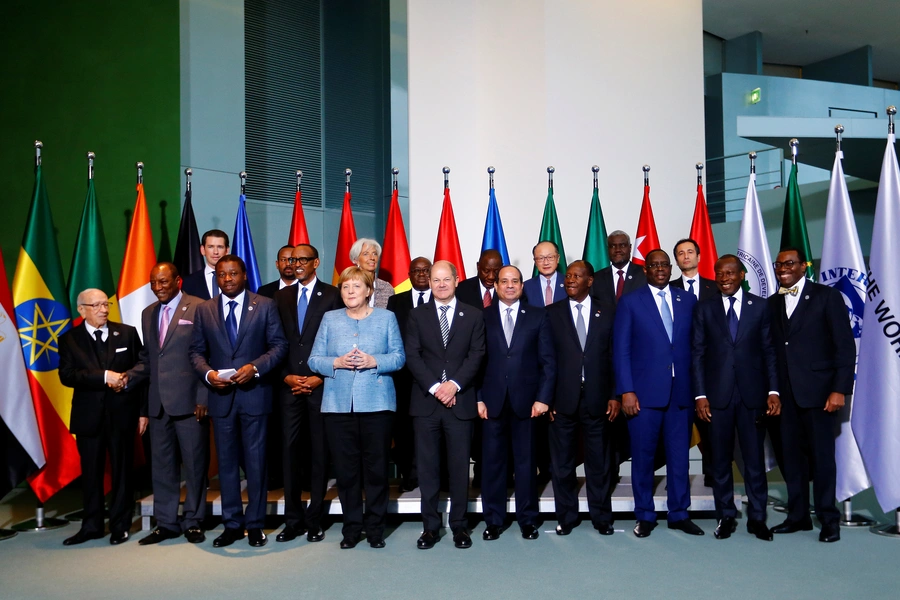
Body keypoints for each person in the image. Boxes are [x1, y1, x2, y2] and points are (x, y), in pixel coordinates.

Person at [189, 255, 288, 548]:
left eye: (233, 273)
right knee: (228, 466)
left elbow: (279, 345)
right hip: (221, 399)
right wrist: (208, 374)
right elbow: (195, 351)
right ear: (216, 278)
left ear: (244, 275)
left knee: (256, 464)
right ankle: (231, 524)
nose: (228, 279)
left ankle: (256, 524)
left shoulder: (265, 305)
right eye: (222, 274)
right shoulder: (205, 310)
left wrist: (255, 368)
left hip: (255, 397)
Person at [308, 267, 405, 549]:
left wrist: (374, 360)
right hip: (337, 407)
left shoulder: (387, 318)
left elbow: (399, 357)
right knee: (347, 472)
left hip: (377, 404)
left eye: (356, 286)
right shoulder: (330, 319)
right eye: (345, 287)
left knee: (375, 470)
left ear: (369, 291)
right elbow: (315, 359)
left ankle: (375, 529)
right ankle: (351, 529)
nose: (350, 291)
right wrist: (335, 363)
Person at [767, 248, 855, 543]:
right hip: (785, 395)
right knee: (791, 459)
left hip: (820, 394)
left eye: (789, 263)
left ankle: (829, 519)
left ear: (803, 266)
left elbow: (844, 346)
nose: (783, 269)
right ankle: (798, 516)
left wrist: (839, 389)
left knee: (822, 459)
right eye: (779, 265)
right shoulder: (772, 303)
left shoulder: (826, 297)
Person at [613, 249, 702, 538]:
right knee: (643, 457)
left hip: (681, 394)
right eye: (655, 265)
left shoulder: (687, 300)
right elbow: (621, 350)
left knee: (679, 457)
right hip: (643, 395)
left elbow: (695, 347)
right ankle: (645, 515)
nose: (661, 269)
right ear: (646, 270)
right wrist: (626, 390)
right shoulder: (630, 302)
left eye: (665, 264)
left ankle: (679, 513)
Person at [691, 255, 780, 541]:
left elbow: (769, 351)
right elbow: (698, 354)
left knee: (753, 460)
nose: (724, 278)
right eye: (719, 273)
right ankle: (725, 516)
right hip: (716, 398)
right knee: (720, 461)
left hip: (752, 395)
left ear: (741, 275)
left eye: (730, 273)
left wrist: (773, 391)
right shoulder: (704, 308)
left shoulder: (760, 306)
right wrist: (701, 395)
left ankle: (757, 518)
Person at [126, 263, 209, 545]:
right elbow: (149, 359)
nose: (158, 287)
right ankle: (166, 523)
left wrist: (203, 396)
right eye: (153, 283)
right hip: (157, 404)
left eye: (163, 281)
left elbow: (206, 356)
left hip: (190, 403)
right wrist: (126, 377)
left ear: (177, 281)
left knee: (196, 465)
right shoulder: (148, 313)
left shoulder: (199, 307)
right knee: (161, 468)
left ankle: (194, 521)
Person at [405, 260, 485, 550]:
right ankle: (430, 528)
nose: (440, 284)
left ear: (456, 280)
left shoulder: (474, 315)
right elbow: (412, 355)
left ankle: (460, 527)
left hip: (460, 402)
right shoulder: (416, 315)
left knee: (459, 467)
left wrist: (454, 385)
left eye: (445, 279)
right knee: (428, 469)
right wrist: (438, 387)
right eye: (434, 279)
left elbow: (477, 354)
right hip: (427, 403)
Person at [58, 289, 147, 546]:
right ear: (81, 309)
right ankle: (92, 525)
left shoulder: (127, 333)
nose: (103, 310)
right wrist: (104, 377)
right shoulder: (69, 340)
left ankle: (120, 525)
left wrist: (142, 412)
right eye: (95, 305)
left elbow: (141, 371)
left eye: (105, 304)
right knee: (91, 473)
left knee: (122, 472)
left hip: (123, 414)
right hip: (88, 417)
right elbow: (68, 375)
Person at [477, 265, 555, 541]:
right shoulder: (482, 317)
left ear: (522, 286)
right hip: (492, 403)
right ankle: (494, 521)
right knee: (493, 465)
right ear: (495, 286)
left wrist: (543, 398)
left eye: (515, 281)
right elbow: (476, 363)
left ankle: (528, 520)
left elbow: (548, 361)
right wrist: (478, 399)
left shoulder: (538, 315)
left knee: (526, 465)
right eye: (504, 281)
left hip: (528, 404)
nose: (509, 286)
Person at [273, 244, 342, 543]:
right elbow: (274, 342)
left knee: (318, 453)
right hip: (288, 387)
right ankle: (292, 519)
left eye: (302, 259)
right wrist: (286, 376)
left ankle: (315, 518)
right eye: (292, 259)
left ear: (316, 262)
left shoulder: (332, 295)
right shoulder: (280, 296)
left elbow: (338, 341)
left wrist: (318, 376)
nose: (296, 264)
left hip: (321, 386)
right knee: (288, 454)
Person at [546, 260, 619, 536]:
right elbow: (547, 360)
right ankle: (567, 516)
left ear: (590, 281)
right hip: (561, 400)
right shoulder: (551, 313)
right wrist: (547, 397)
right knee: (562, 463)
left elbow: (614, 357)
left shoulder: (608, 311)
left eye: (577, 275)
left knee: (598, 462)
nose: (570, 279)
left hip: (599, 399)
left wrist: (614, 395)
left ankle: (601, 516)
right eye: (568, 275)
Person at [453, 248, 502, 487]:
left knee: (495, 425)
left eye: (496, 270)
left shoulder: (509, 288)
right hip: (466, 368)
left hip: (499, 369)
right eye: (486, 270)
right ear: (477, 266)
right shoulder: (461, 290)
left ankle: (491, 476)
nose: (491, 275)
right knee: (470, 425)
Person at [670, 237, 717, 487]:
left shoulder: (716, 288)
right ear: (676, 260)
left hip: (710, 371)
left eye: (690, 252)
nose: (686, 256)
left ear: (699, 256)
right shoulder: (666, 289)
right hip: (677, 372)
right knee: (677, 431)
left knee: (710, 428)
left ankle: (713, 477)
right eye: (680, 253)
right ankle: (677, 481)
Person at [386, 256, 433, 491]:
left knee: (432, 428)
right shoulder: (396, 302)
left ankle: (433, 476)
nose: (422, 275)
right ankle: (409, 474)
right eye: (417, 271)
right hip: (403, 377)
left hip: (435, 376)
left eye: (426, 270)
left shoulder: (444, 298)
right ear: (409, 275)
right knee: (404, 429)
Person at [590, 230, 646, 314]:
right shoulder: (597, 278)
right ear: (607, 249)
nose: (617, 250)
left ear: (630, 248)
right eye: (613, 246)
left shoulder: (644, 275)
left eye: (622, 245)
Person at [181, 229, 230, 300]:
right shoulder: (189, 282)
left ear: (227, 250)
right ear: (202, 250)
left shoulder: (237, 280)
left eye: (220, 247)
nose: (215, 252)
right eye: (210, 247)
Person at [350, 238, 394, 309]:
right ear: (356, 260)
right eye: (366, 254)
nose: (372, 258)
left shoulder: (386, 288)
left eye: (374, 254)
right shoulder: (347, 285)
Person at [523, 241, 567, 307]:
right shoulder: (526, 287)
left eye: (550, 257)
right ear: (535, 261)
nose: (546, 262)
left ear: (558, 258)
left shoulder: (568, 283)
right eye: (541, 258)